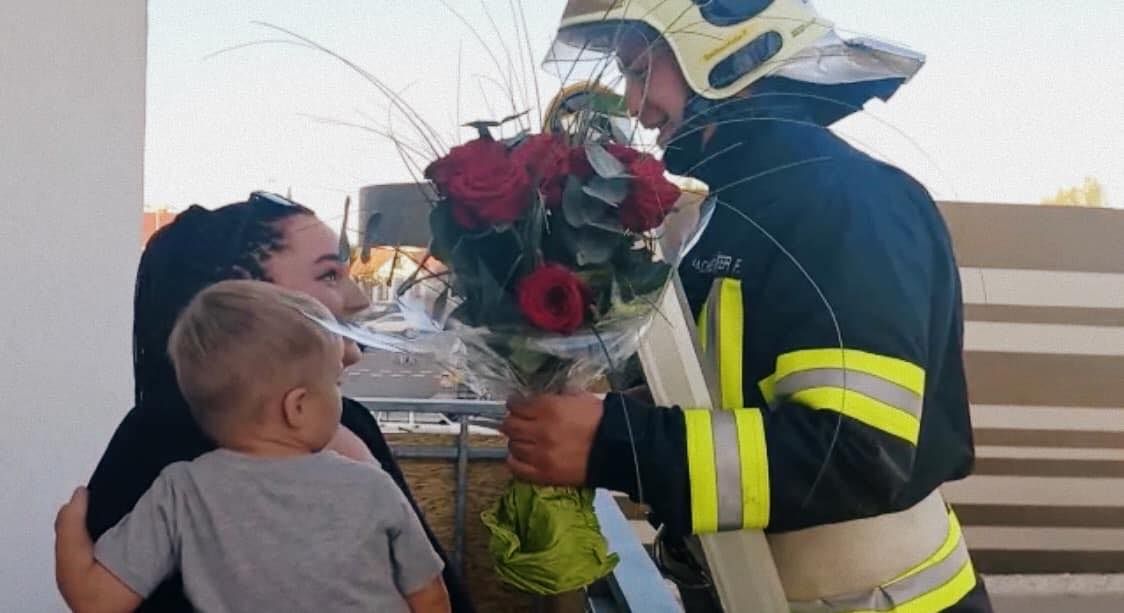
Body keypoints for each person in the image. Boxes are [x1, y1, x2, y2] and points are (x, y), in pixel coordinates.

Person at [502, 2, 991, 611]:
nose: (631, 106)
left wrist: (614, 444)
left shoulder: (845, 202)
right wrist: (617, 406)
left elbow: (857, 453)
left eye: (638, 70)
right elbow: (741, 390)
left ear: (724, 50)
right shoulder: (740, 209)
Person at [82, 192, 474, 612]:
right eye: (328, 275)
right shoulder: (156, 442)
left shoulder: (348, 423)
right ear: (243, 297)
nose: (359, 299)